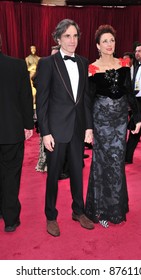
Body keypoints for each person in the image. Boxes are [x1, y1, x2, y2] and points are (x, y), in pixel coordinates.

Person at [35, 19, 94, 237]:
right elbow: (41, 102)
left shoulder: (83, 62)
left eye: (75, 36)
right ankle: (51, 216)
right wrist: (45, 132)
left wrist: (89, 126)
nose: (72, 40)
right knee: (53, 177)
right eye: (67, 36)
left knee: (78, 173)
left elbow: (85, 98)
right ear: (58, 38)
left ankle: (78, 211)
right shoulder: (47, 63)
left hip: (78, 129)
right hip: (56, 130)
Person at [84, 25, 141, 228]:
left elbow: (129, 92)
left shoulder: (124, 64)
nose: (110, 44)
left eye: (112, 40)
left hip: (119, 121)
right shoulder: (92, 68)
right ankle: (99, 209)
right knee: (101, 162)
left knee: (117, 162)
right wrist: (88, 127)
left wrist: (136, 116)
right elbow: (88, 100)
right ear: (98, 45)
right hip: (101, 121)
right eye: (105, 41)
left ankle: (116, 208)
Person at [0, 33, 34, 232]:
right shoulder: (17, 65)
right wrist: (29, 124)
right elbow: (26, 98)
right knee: (11, 174)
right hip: (12, 130)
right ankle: (11, 219)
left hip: (12, 131)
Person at [35, 45, 70, 179]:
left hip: (62, 113)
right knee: (49, 141)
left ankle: (62, 167)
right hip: (48, 111)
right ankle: (52, 167)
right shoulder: (45, 66)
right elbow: (37, 82)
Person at [25, 45, 40, 110]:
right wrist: (32, 67)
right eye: (32, 49)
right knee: (31, 90)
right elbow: (26, 69)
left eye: (34, 48)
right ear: (30, 50)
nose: (33, 50)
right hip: (30, 76)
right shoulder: (27, 59)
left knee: (38, 90)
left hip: (38, 76)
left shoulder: (39, 58)